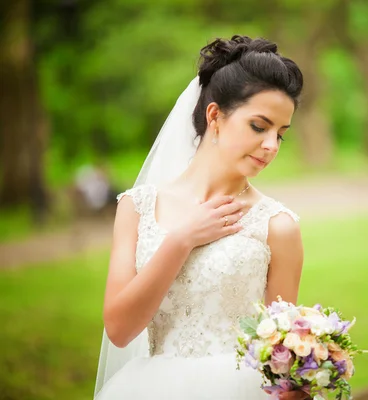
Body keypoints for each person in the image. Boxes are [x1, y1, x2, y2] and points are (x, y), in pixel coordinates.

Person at [94, 35, 309, 400]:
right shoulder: (137, 207)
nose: (272, 145)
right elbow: (119, 328)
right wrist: (181, 240)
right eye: (259, 126)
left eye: (281, 134)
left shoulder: (278, 225)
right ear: (215, 116)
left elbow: (281, 361)